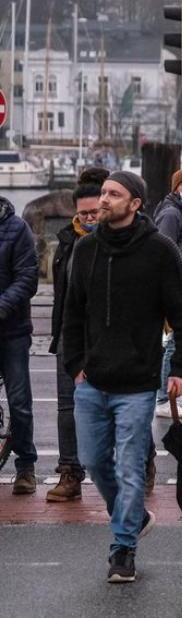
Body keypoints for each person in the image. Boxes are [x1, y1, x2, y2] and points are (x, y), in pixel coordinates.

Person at [62, 171, 182, 583]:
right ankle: (134, 516)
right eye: (102, 193)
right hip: (92, 380)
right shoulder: (86, 249)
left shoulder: (160, 250)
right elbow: (72, 312)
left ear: (135, 203)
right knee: (94, 462)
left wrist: (181, 369)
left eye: (113, 194)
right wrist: (75, 365)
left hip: (138, 384)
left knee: (129, 468)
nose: (103, 200)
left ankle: (123, 549)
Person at [45, 169, 110, 502]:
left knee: (121, 405)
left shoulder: (118, 242)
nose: (87, 219)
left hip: (109, 339)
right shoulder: (67, 243)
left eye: (92, 213)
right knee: (66, 407)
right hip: (70, 336)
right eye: (81, 214)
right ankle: (70, 470)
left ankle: (143, 463)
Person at [152, 168, 182, 420]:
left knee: (179, 341)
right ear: (175, 189)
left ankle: (176, 393)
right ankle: (163, 397)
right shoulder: (172, 214)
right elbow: (163, 250)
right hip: (175, 286)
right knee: (172, 344)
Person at [0, 191, 39, 495]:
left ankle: (26, 465)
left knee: (19, 402)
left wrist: (2, 306)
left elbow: (27, 278)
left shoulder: (16, 228)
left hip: (11, 330)